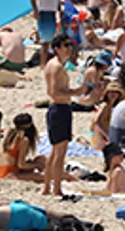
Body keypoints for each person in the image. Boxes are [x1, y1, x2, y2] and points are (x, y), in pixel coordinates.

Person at [42, 34, 86, 195]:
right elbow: (54, 91)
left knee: (55, 151)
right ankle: (56, 189)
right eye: (66, 45)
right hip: (59, 109)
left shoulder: (56, 64)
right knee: (59, 153)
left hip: (59, 109)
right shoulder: (56, 66)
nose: (69, 48)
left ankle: (47, 187)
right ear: (57, 48)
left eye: (69, 45)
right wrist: (76, 91)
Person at [29, 0, 59, 67]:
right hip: (43, 12)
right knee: (45, 42)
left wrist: (59, 9)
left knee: (51, 40)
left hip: (52, 12)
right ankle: (43, 64)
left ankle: (46, 63)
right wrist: (35, 10)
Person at [0, 113, 45, 181]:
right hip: (11, 174)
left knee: (40, 159)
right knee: (44, 176)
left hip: (4, 171)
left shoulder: (11, 133)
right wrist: (36, 165)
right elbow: (21, 165)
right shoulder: (24, 139)